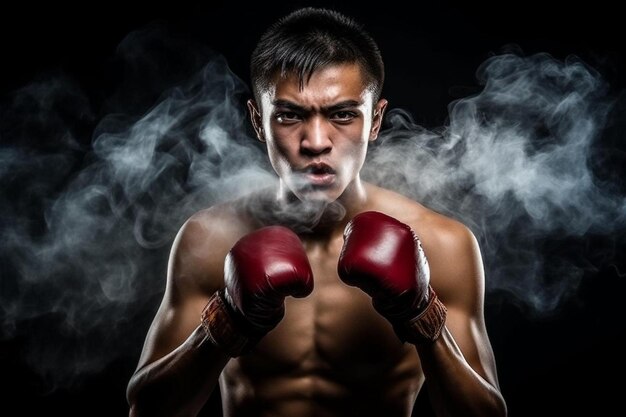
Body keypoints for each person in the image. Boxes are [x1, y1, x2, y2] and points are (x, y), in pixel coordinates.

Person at [126, 6, 507, 417]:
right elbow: (146, 410)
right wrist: (227, 323)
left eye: (342, 115)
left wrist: (422, 315)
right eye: (290, 115)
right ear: (258, 121)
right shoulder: (209, 238)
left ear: (375, 121)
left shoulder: (443, 244)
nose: (316, 142)